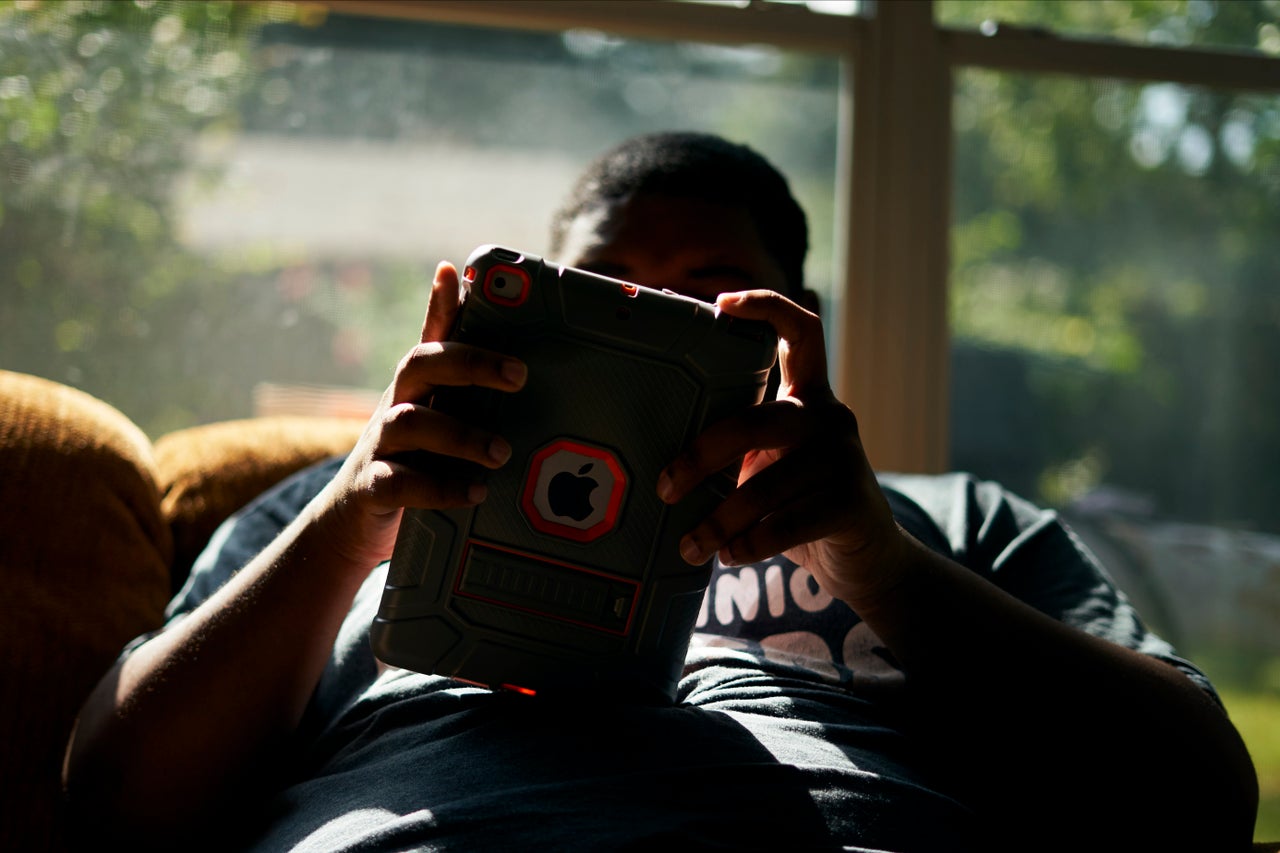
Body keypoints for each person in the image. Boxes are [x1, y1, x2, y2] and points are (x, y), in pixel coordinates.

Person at [64, 132, 1257, 851]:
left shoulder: (946, 525)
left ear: (792, 326)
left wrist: (875, 560)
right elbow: (110, 808)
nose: (647, 325)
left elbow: (1196, 806)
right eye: (603, 288)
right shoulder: (353, 501)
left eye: (708, 296)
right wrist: (346, 526)